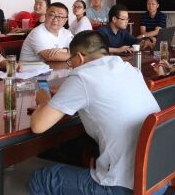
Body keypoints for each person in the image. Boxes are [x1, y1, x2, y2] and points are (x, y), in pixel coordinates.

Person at [28, 30, 161, 195]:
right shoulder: (128, 68)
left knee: (40, 178)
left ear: (79, 57)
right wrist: (65, 95)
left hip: (124, 186)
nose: (71, 66)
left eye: (70, 61)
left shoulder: (83, 76)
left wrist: (44, 101)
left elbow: (38, 126)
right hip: (157, 179)